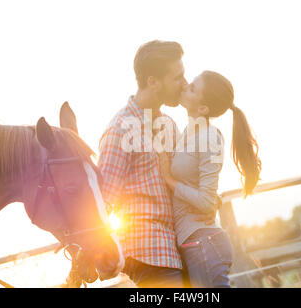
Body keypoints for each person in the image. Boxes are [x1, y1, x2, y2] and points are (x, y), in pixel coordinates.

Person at [97, 40, 189, 287]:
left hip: (177, 246)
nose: (184, 83)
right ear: (153, 81)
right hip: (148, 250)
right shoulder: (120, 130)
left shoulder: (169, 125)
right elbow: (103, 201)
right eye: (177, 77)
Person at [158, 70, 262, 287]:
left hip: (203, 244)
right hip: (195, 244)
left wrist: (169, 180)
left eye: (193, 87)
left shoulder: (209, 137)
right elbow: (206, 194)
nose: (185, 85)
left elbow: (206, 203)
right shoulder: (188, 133)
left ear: (203, 108)